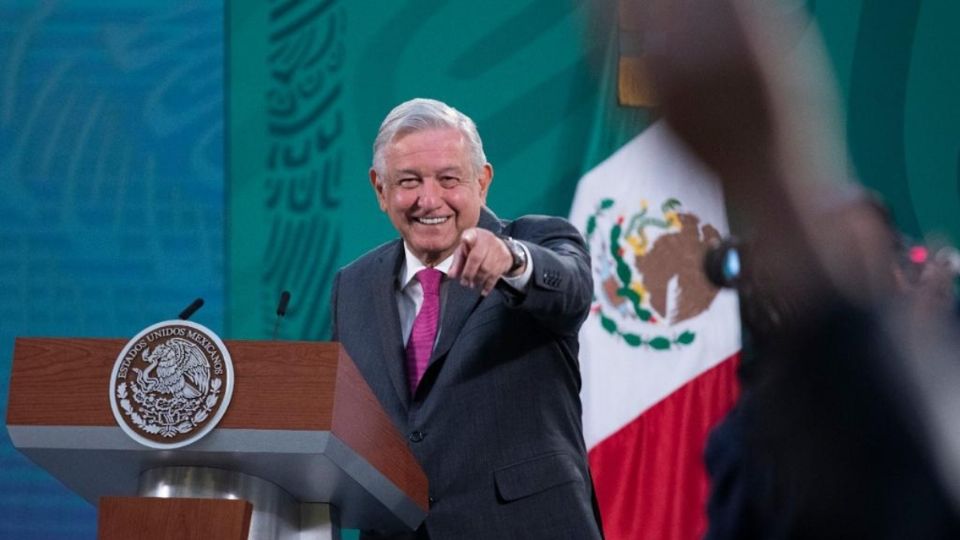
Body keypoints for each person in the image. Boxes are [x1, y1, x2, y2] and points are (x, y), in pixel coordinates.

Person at [330, 98, 602, 540]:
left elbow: (571, 289)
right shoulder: (353, 286)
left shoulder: (535, 240)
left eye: (448, 179)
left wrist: (513, 262)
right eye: (409, 181)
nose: (429, 199)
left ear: (483, 181)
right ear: (380, 189)